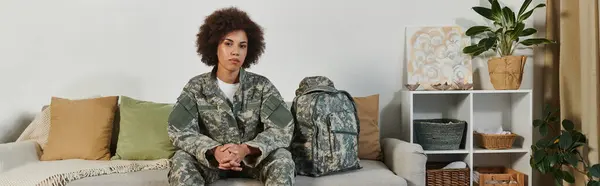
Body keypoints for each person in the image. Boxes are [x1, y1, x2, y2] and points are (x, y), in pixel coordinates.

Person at [166, 7, 295, 186]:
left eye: (242, 46)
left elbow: (283, 128)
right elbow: (178, 129)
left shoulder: (262, 86)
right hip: (211, 162)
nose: (236, 52)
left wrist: (245, 149)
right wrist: (214, 150)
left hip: (252, 162)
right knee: (181, 160)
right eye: (228, 43)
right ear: (214, 46)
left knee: (283, 158)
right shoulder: (196, 87)